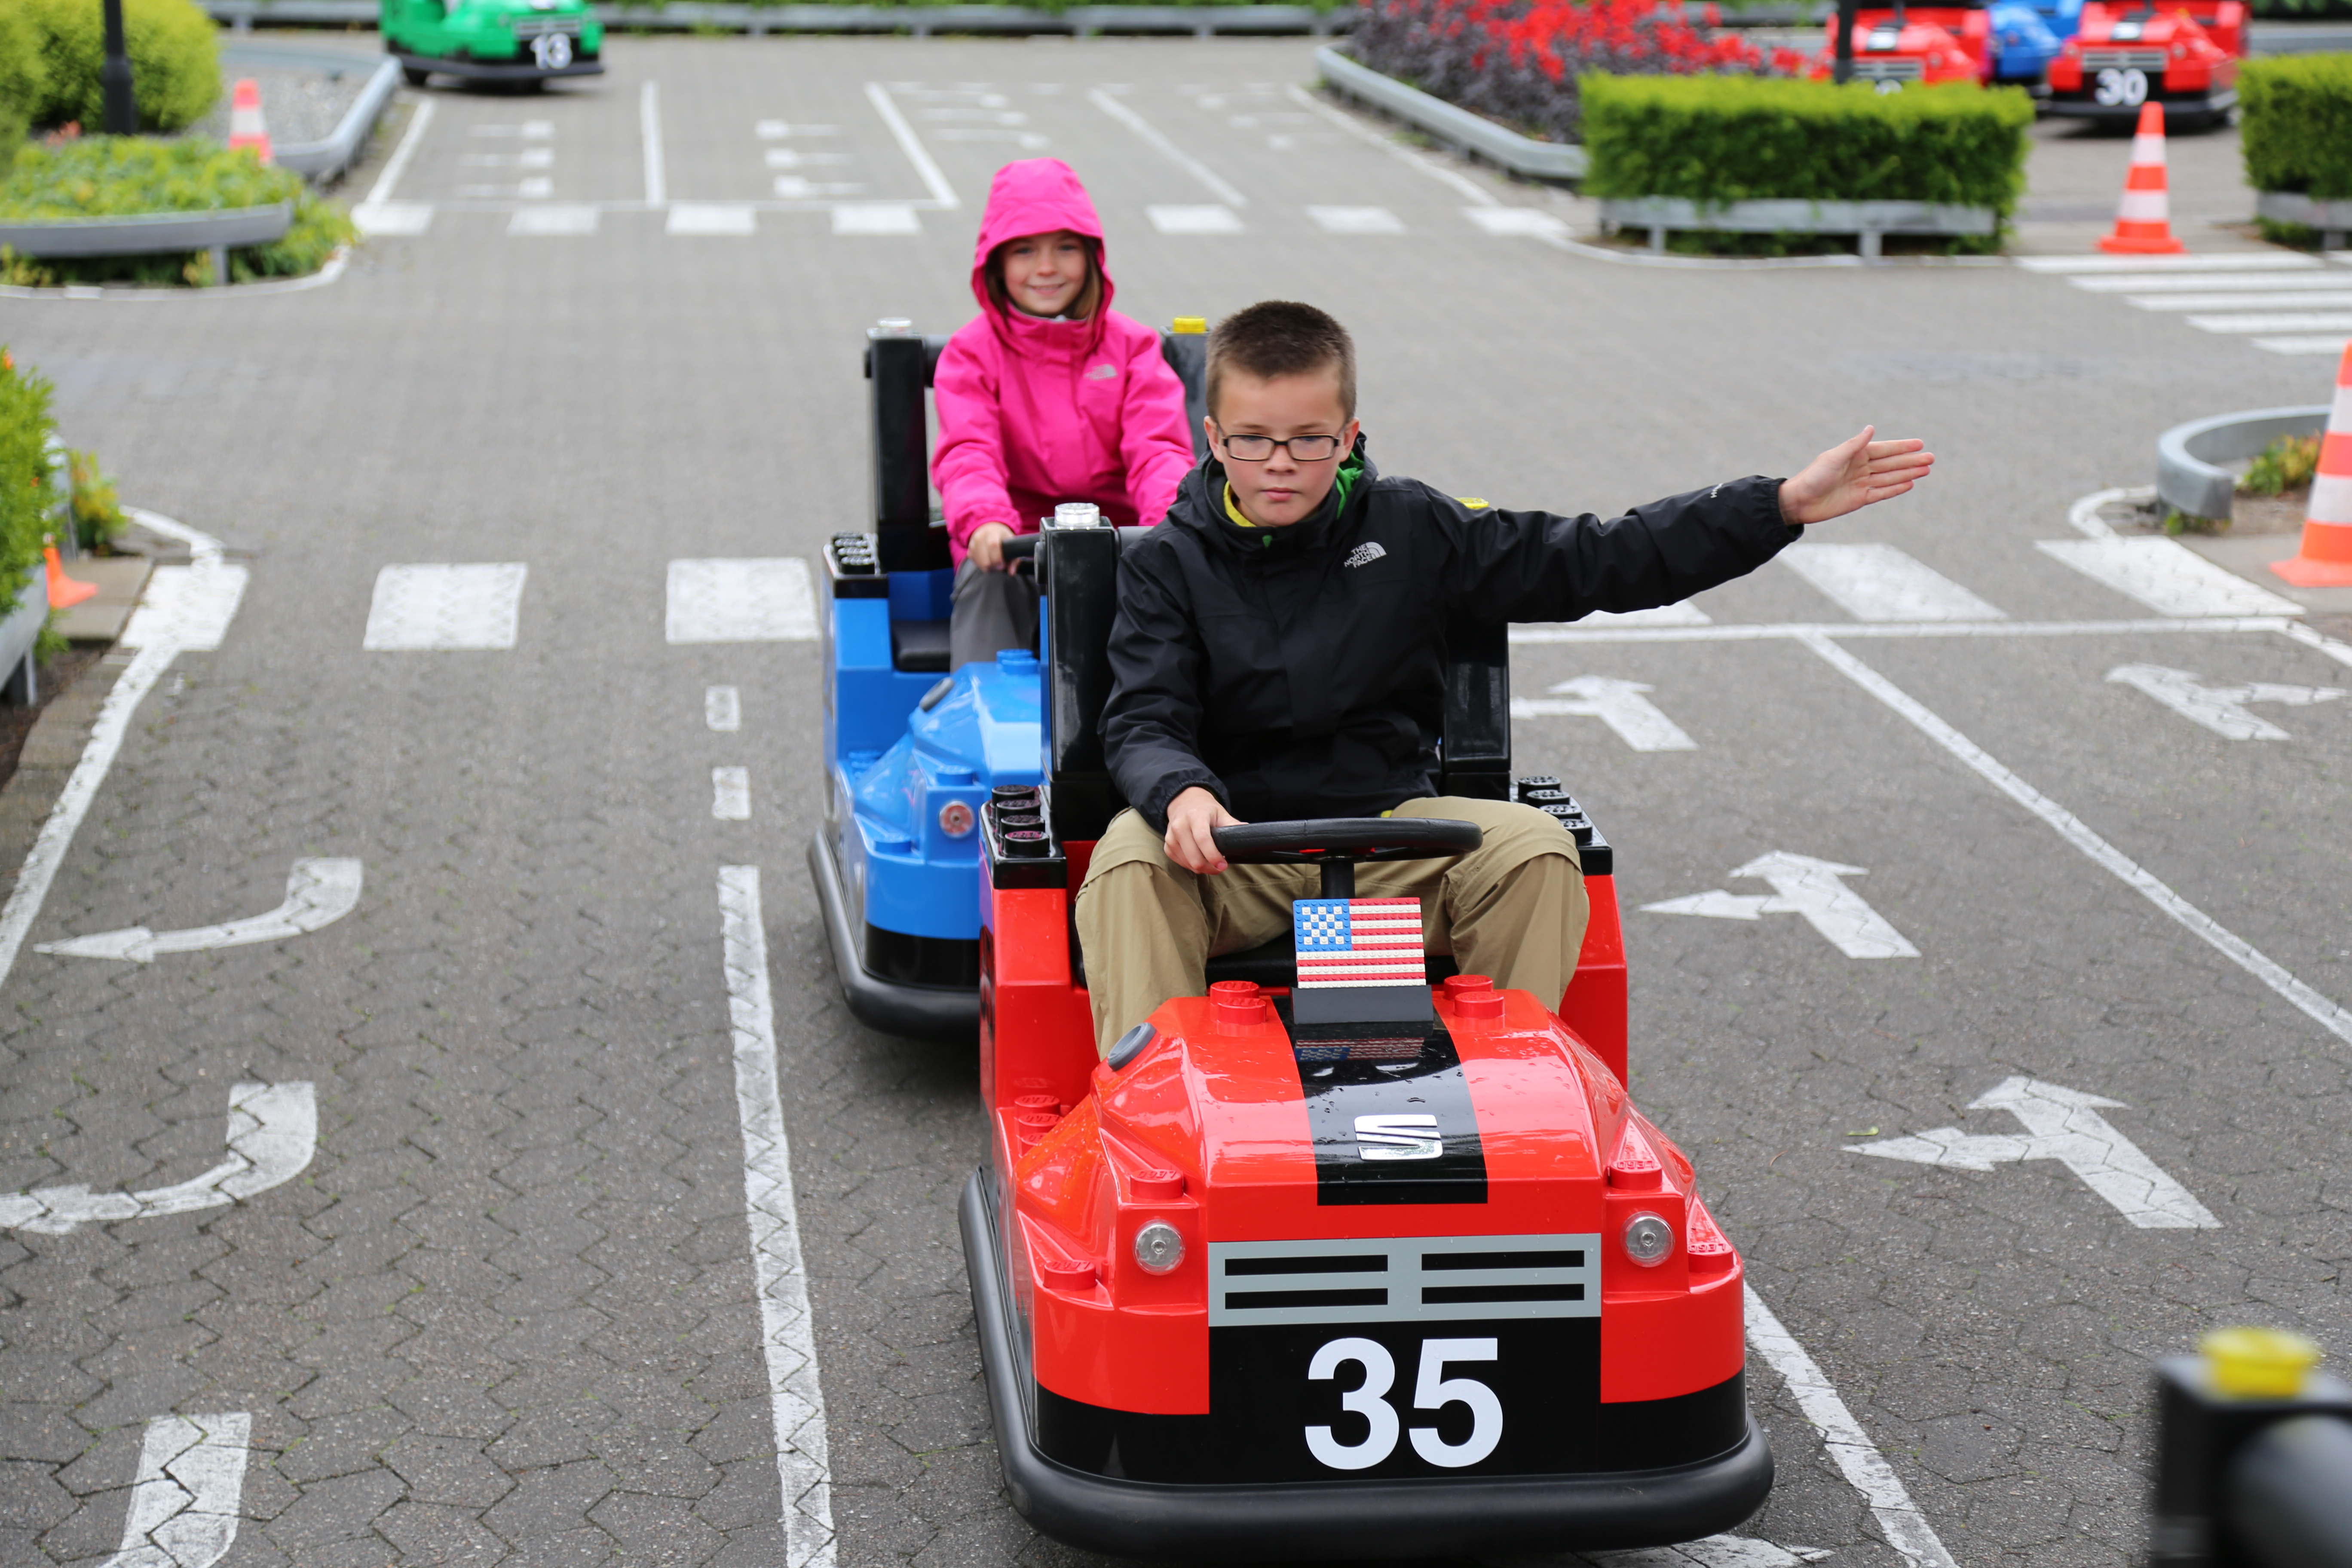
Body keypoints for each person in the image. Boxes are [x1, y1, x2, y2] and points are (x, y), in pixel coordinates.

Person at [1073, 300, 1936, 1055]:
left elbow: (1596, 558)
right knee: (1126, 865)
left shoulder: (1414, 527)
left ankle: (1507, 1099)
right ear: (1215, 438)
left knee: (1533, 852)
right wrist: (1183, 794)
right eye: (1254, 441)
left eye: (1309, 440)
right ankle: (1160, 1122)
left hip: (1389, 835)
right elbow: (1143, 716)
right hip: (1233, 850)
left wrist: (1775, 506)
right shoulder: (1168, 563)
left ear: (1349, 439)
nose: (1281, 464)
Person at [934, 159, 1195, 671]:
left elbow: (1158, 448)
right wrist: (986, 520)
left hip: (1122, 543)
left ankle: (1167, 722)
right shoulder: (970, 354)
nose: (1047, 268)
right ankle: (986, 717)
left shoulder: (1133, 347)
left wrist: (1169, 521)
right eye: (1025, 251)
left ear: (1093, 257)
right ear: (995, 263)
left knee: (1177, 582)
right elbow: (968, 452)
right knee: (988, 580)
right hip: (1013, 544)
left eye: (1066, 248)